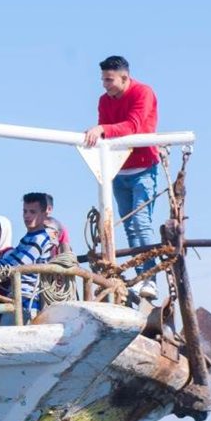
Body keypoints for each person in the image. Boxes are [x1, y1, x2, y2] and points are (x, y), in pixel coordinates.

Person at [83, 55, 160, 298]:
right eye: (103, 80)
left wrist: (102, 129)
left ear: (124, 78)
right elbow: (106, 133)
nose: (105, 84)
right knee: (129, 227)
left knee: (141, 222)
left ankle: (150, 278)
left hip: (143, 168)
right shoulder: (104, 101)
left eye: (109, 80)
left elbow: (132, 126)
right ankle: (140, 277)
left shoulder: (143, 92)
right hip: (118, 169)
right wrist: (100, 132)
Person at [0, 194, 57, 321]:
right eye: (25, 211)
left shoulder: (40, 239)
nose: (27, 216)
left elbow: (17, 265)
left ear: (45, 214)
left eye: (32, 212)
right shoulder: (28, 238)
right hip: (16, 298)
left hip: (27, 301)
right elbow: (10, 260)